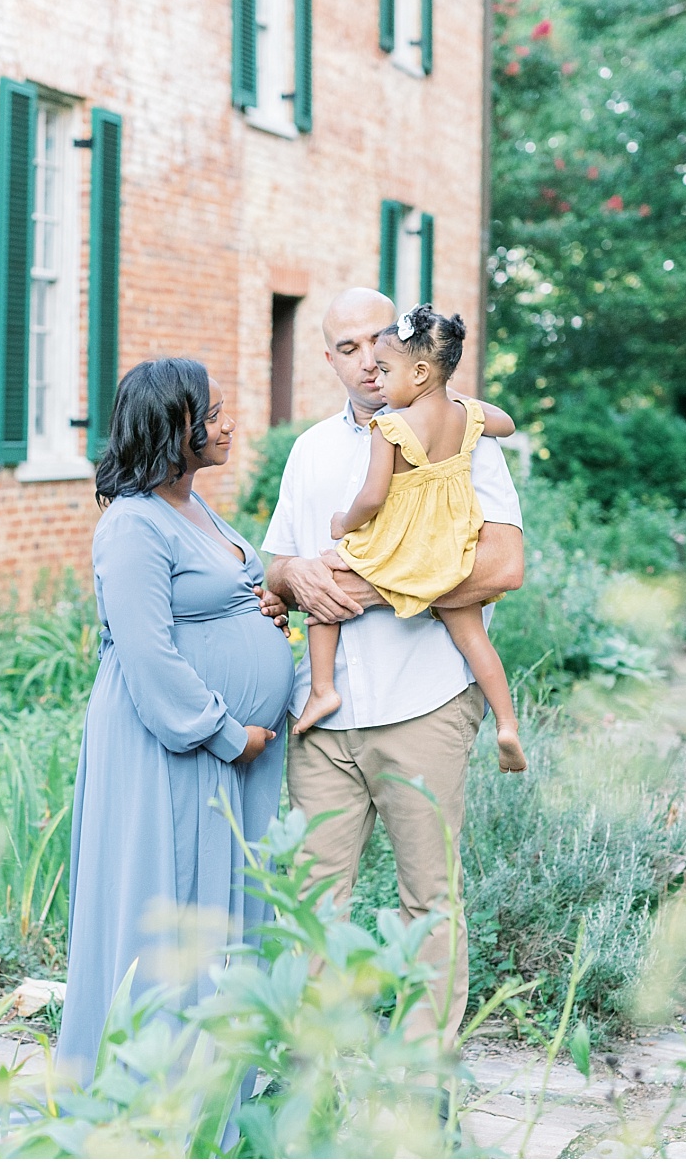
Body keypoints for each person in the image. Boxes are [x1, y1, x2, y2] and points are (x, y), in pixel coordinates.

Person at [262, 288, 525, 1046]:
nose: (367, 357)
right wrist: (295, 579)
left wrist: (372, 590)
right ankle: (318, 1076)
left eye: (379, 337)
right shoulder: (311, 449)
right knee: (311, 901)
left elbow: (504, 565)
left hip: (426, 705)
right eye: (348, 347)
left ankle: (419, 1085)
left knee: (429, 903)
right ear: (331, 359)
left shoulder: (458, 434)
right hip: (324, 722)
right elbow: (280, 560)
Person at [58, 357, 295, 1083]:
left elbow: (223, 595)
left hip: (228, 754)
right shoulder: (132, 524)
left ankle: (217, 1083)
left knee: (222, 915)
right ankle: (150, 1089)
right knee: (170, 908)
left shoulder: (192, 507)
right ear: (173, 426)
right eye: (213, 413)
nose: (228, 424)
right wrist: (230, 732)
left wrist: (267, 605)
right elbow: (148, 656)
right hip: (176, 746)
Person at [295, 304, 528, 776]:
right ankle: (506, 722)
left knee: (328, 576)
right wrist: (446, 391)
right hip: (450, 549)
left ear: (420, 372)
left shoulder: (390, 427)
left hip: (404, 543)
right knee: (474, 638)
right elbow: (505, 422)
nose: (376, 378)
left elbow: (373, 498)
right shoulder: (465, 418)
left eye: (385, 369)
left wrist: (343, 522)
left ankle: (322, 689)